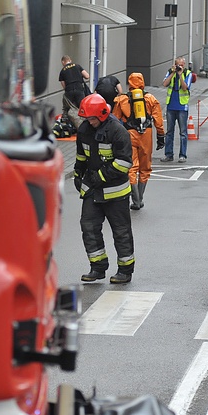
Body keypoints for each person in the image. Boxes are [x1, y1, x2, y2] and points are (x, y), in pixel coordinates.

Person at [73, 93, 135, 284]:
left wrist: (100, 176)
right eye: (86, 118)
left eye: (91, 118)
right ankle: (97, 268)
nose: (88, 122)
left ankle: (125, 270)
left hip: (115, 192)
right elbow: (82, 155)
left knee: (121, 231)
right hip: (93, 190)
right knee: (89, 227)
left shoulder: (118, 131)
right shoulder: (84, 130)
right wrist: (77, 172)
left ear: (101, 115)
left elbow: (124, 163)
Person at [112, 72, 165, 210]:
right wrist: (161, 136)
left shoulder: (121, 99)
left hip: (129, 134)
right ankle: (140, 198)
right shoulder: (150, 98)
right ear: (143, 82)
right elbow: (158, 120)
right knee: (145, 167)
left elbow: (115, 120)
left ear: (129, 83)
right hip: (146, 134)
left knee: (131, 167)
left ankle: (135, 200)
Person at [160, 56, 193, 163]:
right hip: (171, 106)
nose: (180, 67)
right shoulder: (170, 72)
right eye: (178, 65)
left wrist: (180, 75)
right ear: (175, 65)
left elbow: (184, 87)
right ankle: (168, 154)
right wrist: (173, 73)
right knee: (169, 132)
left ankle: (182, 155)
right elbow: (164, 84)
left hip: (182, 106)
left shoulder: (188, 73)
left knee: (183, 132)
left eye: (182, 65)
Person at [58, 55, 90, 125]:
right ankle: (84, 125)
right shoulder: (77, 66)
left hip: (69, 91)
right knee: (82, 108)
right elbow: (87, 76)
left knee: (69, 109)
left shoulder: (62, 71)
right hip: (79, 89)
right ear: (70, 60)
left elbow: (64, 86)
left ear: (63, 62)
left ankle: (69, 126)